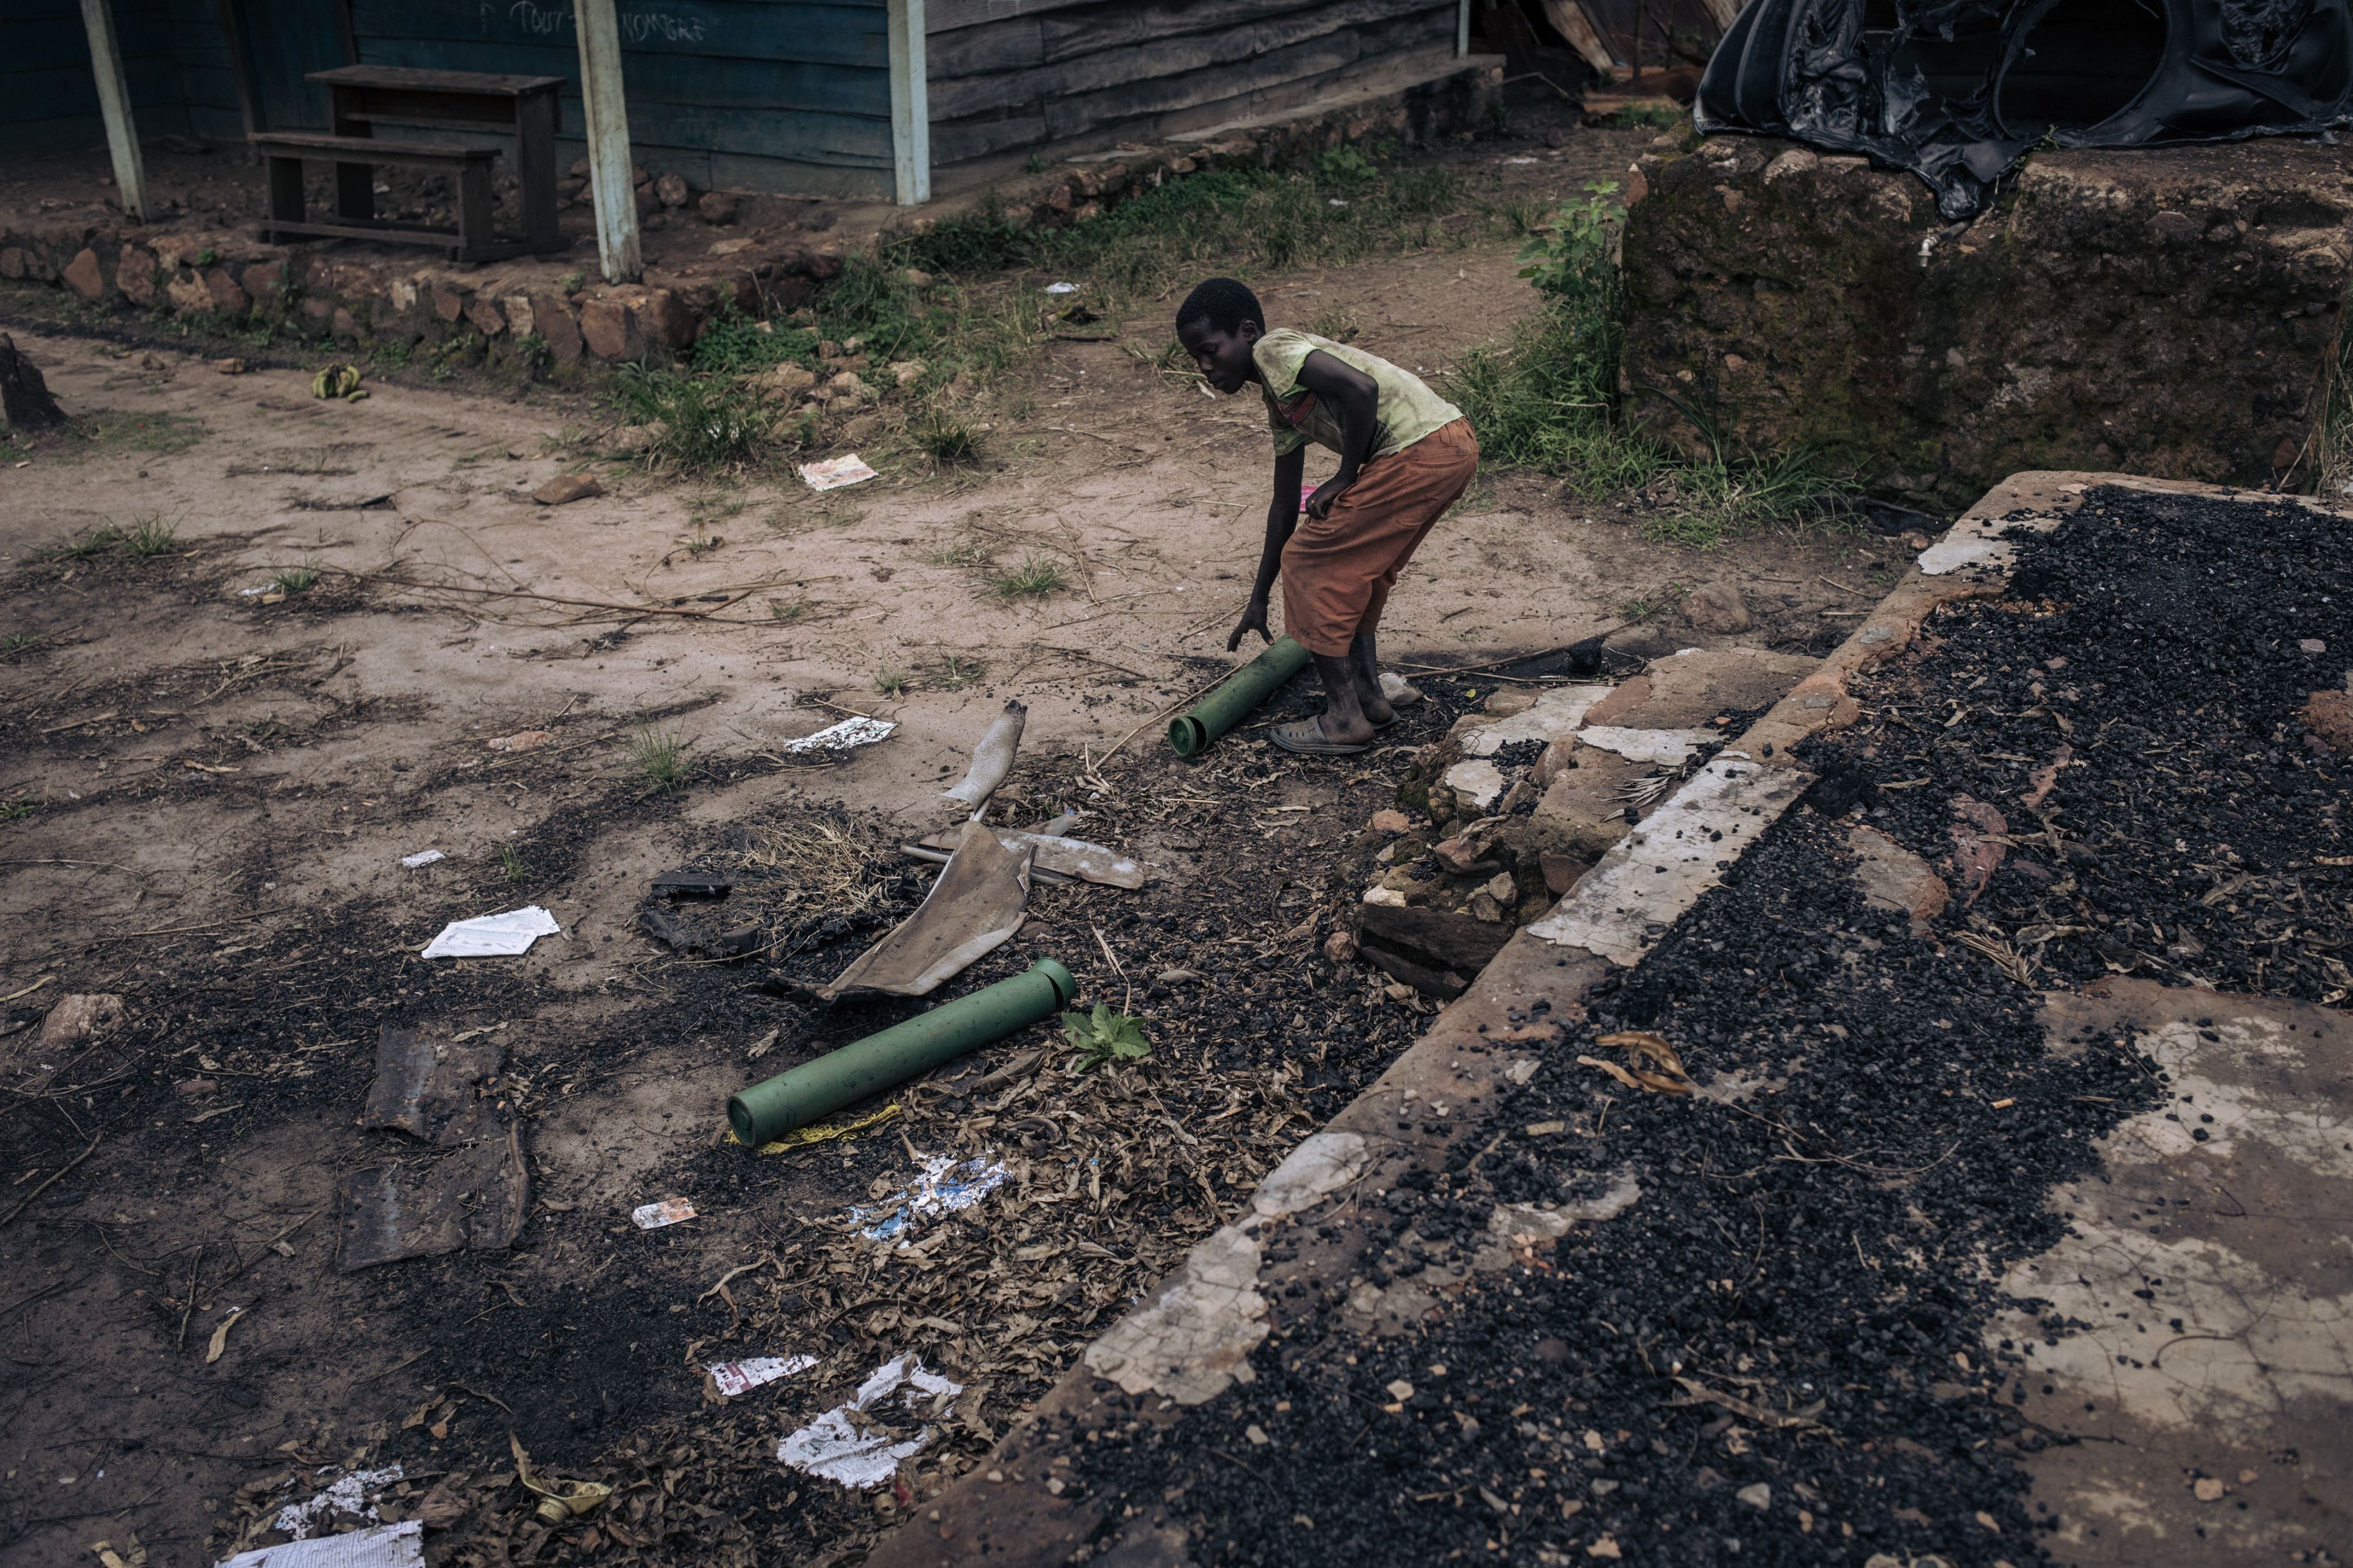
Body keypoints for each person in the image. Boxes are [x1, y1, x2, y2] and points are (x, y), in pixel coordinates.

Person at [1175, 276, 1479, 754]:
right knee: (1362, 570)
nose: (1206, 366)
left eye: (1211, 350)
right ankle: (1370, 699)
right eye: (1196, 358)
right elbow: (1283, 505)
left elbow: (1362, 389)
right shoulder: (1280, 400)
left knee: (1311, 561)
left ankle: (1343, 719)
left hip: (1419, 449)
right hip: (1447, 445)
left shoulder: (1274, 350)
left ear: (1248, 331)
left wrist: (1344, 476)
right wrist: (1258, 599)